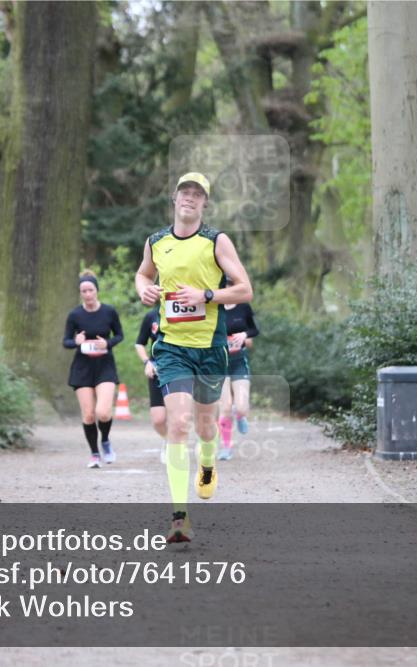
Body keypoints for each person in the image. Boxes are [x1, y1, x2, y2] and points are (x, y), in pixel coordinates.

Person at [135, 171, 253, 542]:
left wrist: (206, 295)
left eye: (197, 194)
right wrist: (144, 289)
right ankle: (179, 517)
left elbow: (244, 290)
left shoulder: (216, 241)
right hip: (172, 347)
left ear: (205, 203)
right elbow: (143, 274)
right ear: (174, 198)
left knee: (205, 426)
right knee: (179, 424)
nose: (190, 197)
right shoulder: (156, 242)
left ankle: (208, 461)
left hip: (211, 349)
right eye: (184, 192)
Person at [63, 270, 124, 468]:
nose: (88, 294)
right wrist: (76, 341)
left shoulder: (109, 312)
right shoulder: (74, 315)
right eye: (84, 291)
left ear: (97, 290)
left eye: (91, 290)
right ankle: (94, 454)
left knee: (103, 412)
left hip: (105, 365)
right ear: (80, 293)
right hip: (83, 368)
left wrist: (107, 343)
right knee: (89, 414)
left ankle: (105, 440)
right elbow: (66, 341)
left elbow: (119, 335)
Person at [217, 296, 259, 461]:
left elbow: (254, 330)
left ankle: (240, 415)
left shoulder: (243, 307)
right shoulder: (214, 307)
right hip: (219, 364)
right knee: (225, 407)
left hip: (239, 362)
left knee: (241, 407)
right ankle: (226, 447)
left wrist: (244, 335)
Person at [134, 305, 168, 462]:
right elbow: (139, 343)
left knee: (177, 415)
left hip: (180, 369)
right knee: (158, 420)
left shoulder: (186, 312)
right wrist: (147, 362)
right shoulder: (151, 316)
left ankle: (176, 445)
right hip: (157, 370)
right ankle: (168, 439)